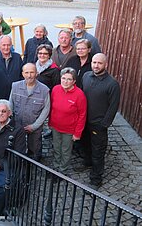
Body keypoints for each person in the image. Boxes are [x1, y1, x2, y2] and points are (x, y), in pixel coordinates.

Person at [81, 53, 120, 189]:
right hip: (84, 120)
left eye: (99, 63)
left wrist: (104, 124)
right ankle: (87, 163)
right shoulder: (86, 76)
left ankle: (96, 179)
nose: (96, 65)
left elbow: (113, 106)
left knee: (98, 152)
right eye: (94, 62)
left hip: (98, 124)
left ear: (106, 65)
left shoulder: (112, 84)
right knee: (85, 145)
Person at [49, 67, 87, 174]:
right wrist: (50, 123)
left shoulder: (79, 95)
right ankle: (56, 166)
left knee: (65, 151)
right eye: (63, 78)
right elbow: (52, 107)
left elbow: (82, 115)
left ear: (74, 81)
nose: (65, 81)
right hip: (56, 127)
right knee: (56, 148)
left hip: (69, 130)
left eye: (69, 79)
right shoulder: (55, 89)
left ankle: (62, 171)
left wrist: (77, 133)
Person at [9, 63, 50, 161]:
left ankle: (34, 164)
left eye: (32, 72)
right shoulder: (15, 86)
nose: (29, 75)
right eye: (26, 72)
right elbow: (10, 104)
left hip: (35, 126)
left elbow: (46, 110)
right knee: (17, 147)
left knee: (35, 149)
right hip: (18, 125)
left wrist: (34, 126)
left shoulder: (44, 90)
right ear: (23, 74)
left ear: (36, 73)